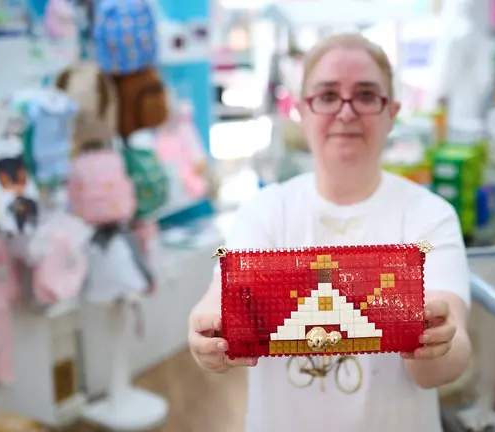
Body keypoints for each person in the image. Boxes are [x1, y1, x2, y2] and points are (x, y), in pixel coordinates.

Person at [188, 33, 472, 432]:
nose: (346, 112)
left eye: (366, 95)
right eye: (327, 96)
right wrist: (206, 333)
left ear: (392, 112)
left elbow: (448, 353)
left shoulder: (430, 216)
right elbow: (221, 299)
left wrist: (437, 341)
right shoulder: (265, 212)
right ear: (301, 111)